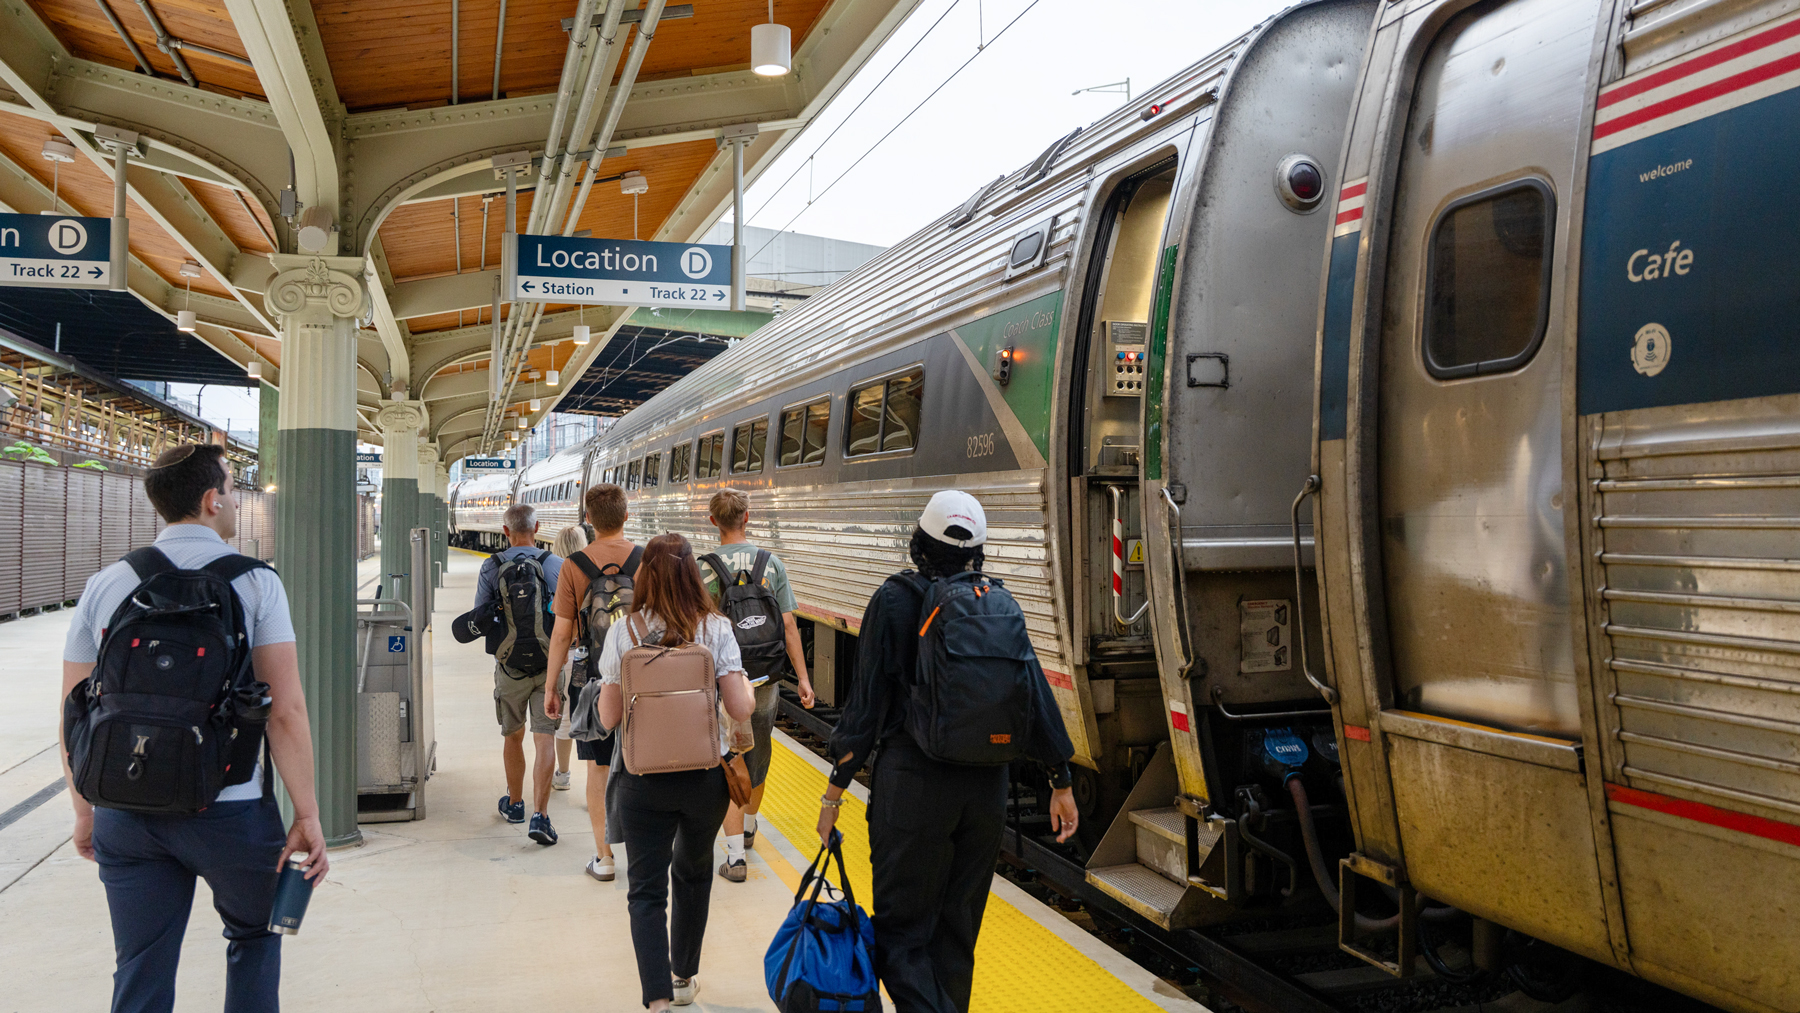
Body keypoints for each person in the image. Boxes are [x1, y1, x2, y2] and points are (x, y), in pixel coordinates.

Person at [58, 443, 329, 1013]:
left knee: (140, 964)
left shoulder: (107, 583)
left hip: (125, 809)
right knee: (255, 936)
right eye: (232, 487)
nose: (234, 498)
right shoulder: (257, 583)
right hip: (227, 808)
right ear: (212, 500)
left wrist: (86, 808)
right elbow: (284, 710)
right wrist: (306, 815)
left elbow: (75, 708)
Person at [815, 490, 1079, 1013]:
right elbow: (1034, 694)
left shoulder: (893, 600)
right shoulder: (999, 605)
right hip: (985, 791)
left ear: (919, 542)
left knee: (901, 934)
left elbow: (864, 709)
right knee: (957, 935)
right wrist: (1061, 779)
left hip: (913, 787)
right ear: (977, 550)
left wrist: (833, 794)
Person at [596, 533, 755, 1011]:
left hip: (642, 781)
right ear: (693, 574)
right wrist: (742, 681)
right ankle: (683, 977)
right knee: (693, 874)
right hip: (705, 777)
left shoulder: (623, 632)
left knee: (646, 891)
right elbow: (740, 707)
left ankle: (658, 1001)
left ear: (643, 576)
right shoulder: (717, 629)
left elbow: (607, 718)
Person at [698, 488, 815, 884]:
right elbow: (788, 626)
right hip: (765, 679)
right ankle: (748, 830)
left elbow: (697, 630)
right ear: (747, 518)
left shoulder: (704, 568)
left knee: (730, 757)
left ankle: (734, 856)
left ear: (713, 522)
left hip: (720, 679)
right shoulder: (772, 563)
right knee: (757, 755)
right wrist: (802, 677)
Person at [542, 484, 635, 881]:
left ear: (589, 520)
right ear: (626, 516)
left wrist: (551, 688)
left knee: (598, 770)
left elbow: (562, 634)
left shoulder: (574, 565)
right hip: (642, 680)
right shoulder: (646, 559)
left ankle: (605, 857)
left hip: (593, 682)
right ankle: (645, 851)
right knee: (642, 765)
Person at [473, 503, 564, 845]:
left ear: (505, 531)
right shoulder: (556, 564)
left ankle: (514, 804)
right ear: (537, 528)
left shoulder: (491, 566)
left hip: (509, 667)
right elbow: (569, 615)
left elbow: (480, 619)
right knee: (544, 738)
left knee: (513, 735)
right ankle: (541, 816)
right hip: (548, 666)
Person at [548, 523, 591, 791]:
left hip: (569, 654)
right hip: (592, 653)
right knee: (593, 714)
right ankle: (596, 780)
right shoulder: (593, 572)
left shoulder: (558, 573)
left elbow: (559, 626)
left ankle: (563, 774)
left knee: (564, 719)